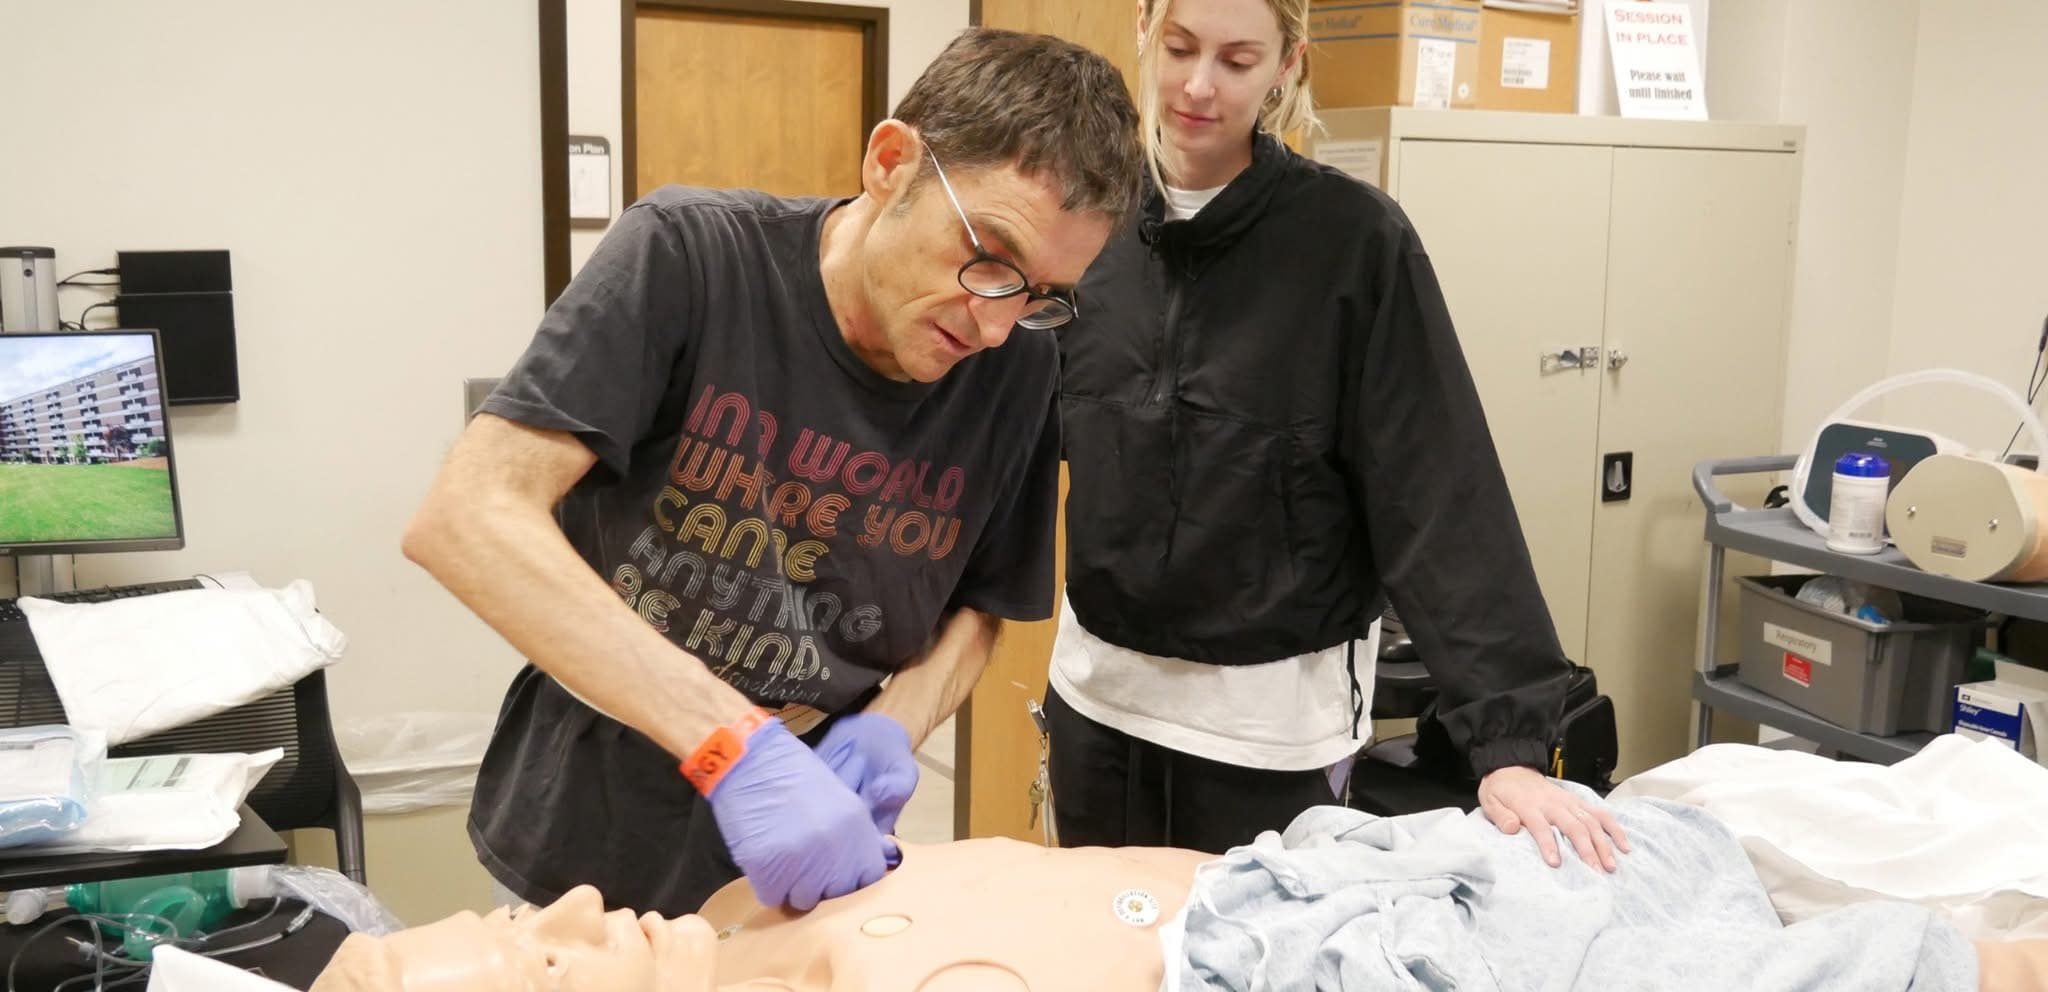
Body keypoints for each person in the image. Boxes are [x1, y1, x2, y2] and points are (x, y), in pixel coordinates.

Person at [400, 27, 1143, 917]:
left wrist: (896, 723)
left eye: (1039, 294)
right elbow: (467, 516)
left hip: (812, 833)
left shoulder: (1016, 365)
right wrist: (730, 745)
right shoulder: (687, 257)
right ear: (892, 162)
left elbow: (983, 606)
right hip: (592, 813)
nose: (993, 324)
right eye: (987, 256)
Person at [1046, 0, 1628, 868]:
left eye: (1238, 60)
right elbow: (1001, 442)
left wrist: (1509, 742)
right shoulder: (1085, 222)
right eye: (1181, 48)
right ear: (1144, 26)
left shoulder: (1353, 244)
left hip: (1268, 733)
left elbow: (1437, 487)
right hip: (1098, 702)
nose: (1199, 86)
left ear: (1288, 64)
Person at [295, 820, 2048, 991]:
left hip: (1319, 863)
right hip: (1338, 964)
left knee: (1641, 840)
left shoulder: (744, 903)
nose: (574, 899)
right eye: (538, 957)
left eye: (520, 910)